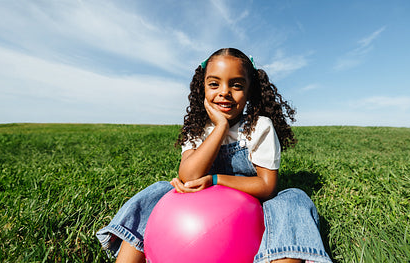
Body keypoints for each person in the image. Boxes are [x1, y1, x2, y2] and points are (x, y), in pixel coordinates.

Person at [96, 48, 332, 263]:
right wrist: (219, 127)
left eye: (236, 85)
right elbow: (188, 176)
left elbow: (267, 186)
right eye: (214, 84)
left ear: (250, 92)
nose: (224, 93)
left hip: (253, 206)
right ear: (203, 89)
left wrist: (216, 179)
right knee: (159, 189)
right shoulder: (197, 128)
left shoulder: (260, 126)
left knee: (292, 198)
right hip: (201, 205)